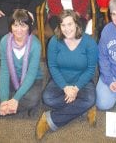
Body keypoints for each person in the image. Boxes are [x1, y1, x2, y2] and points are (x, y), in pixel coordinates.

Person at [35, 10, 98, 140]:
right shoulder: (54, 41)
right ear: (59, 26)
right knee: (47, 98)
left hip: (82, 81)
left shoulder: (89, 42)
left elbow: (91, 69)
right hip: (61, 80)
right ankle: (84, 109)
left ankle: (49, 119)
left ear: (77, 24)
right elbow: (52, 66)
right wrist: (65, 87)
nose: (66, 29)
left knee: (91, 98)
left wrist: (75, 88)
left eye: (70, 24)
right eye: (63, 25)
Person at [0, 9, 43, 119]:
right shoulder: (4, 41)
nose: (19, 30)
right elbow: (5, 71)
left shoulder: (35, 44)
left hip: (33, 79)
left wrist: (16, 98)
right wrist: (4, 99)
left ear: (29, 27)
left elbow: (31, 75)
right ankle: (18, 102)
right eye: (15, 25)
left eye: (23, 25)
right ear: (10, 26)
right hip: (13, 76)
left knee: (32, 99)